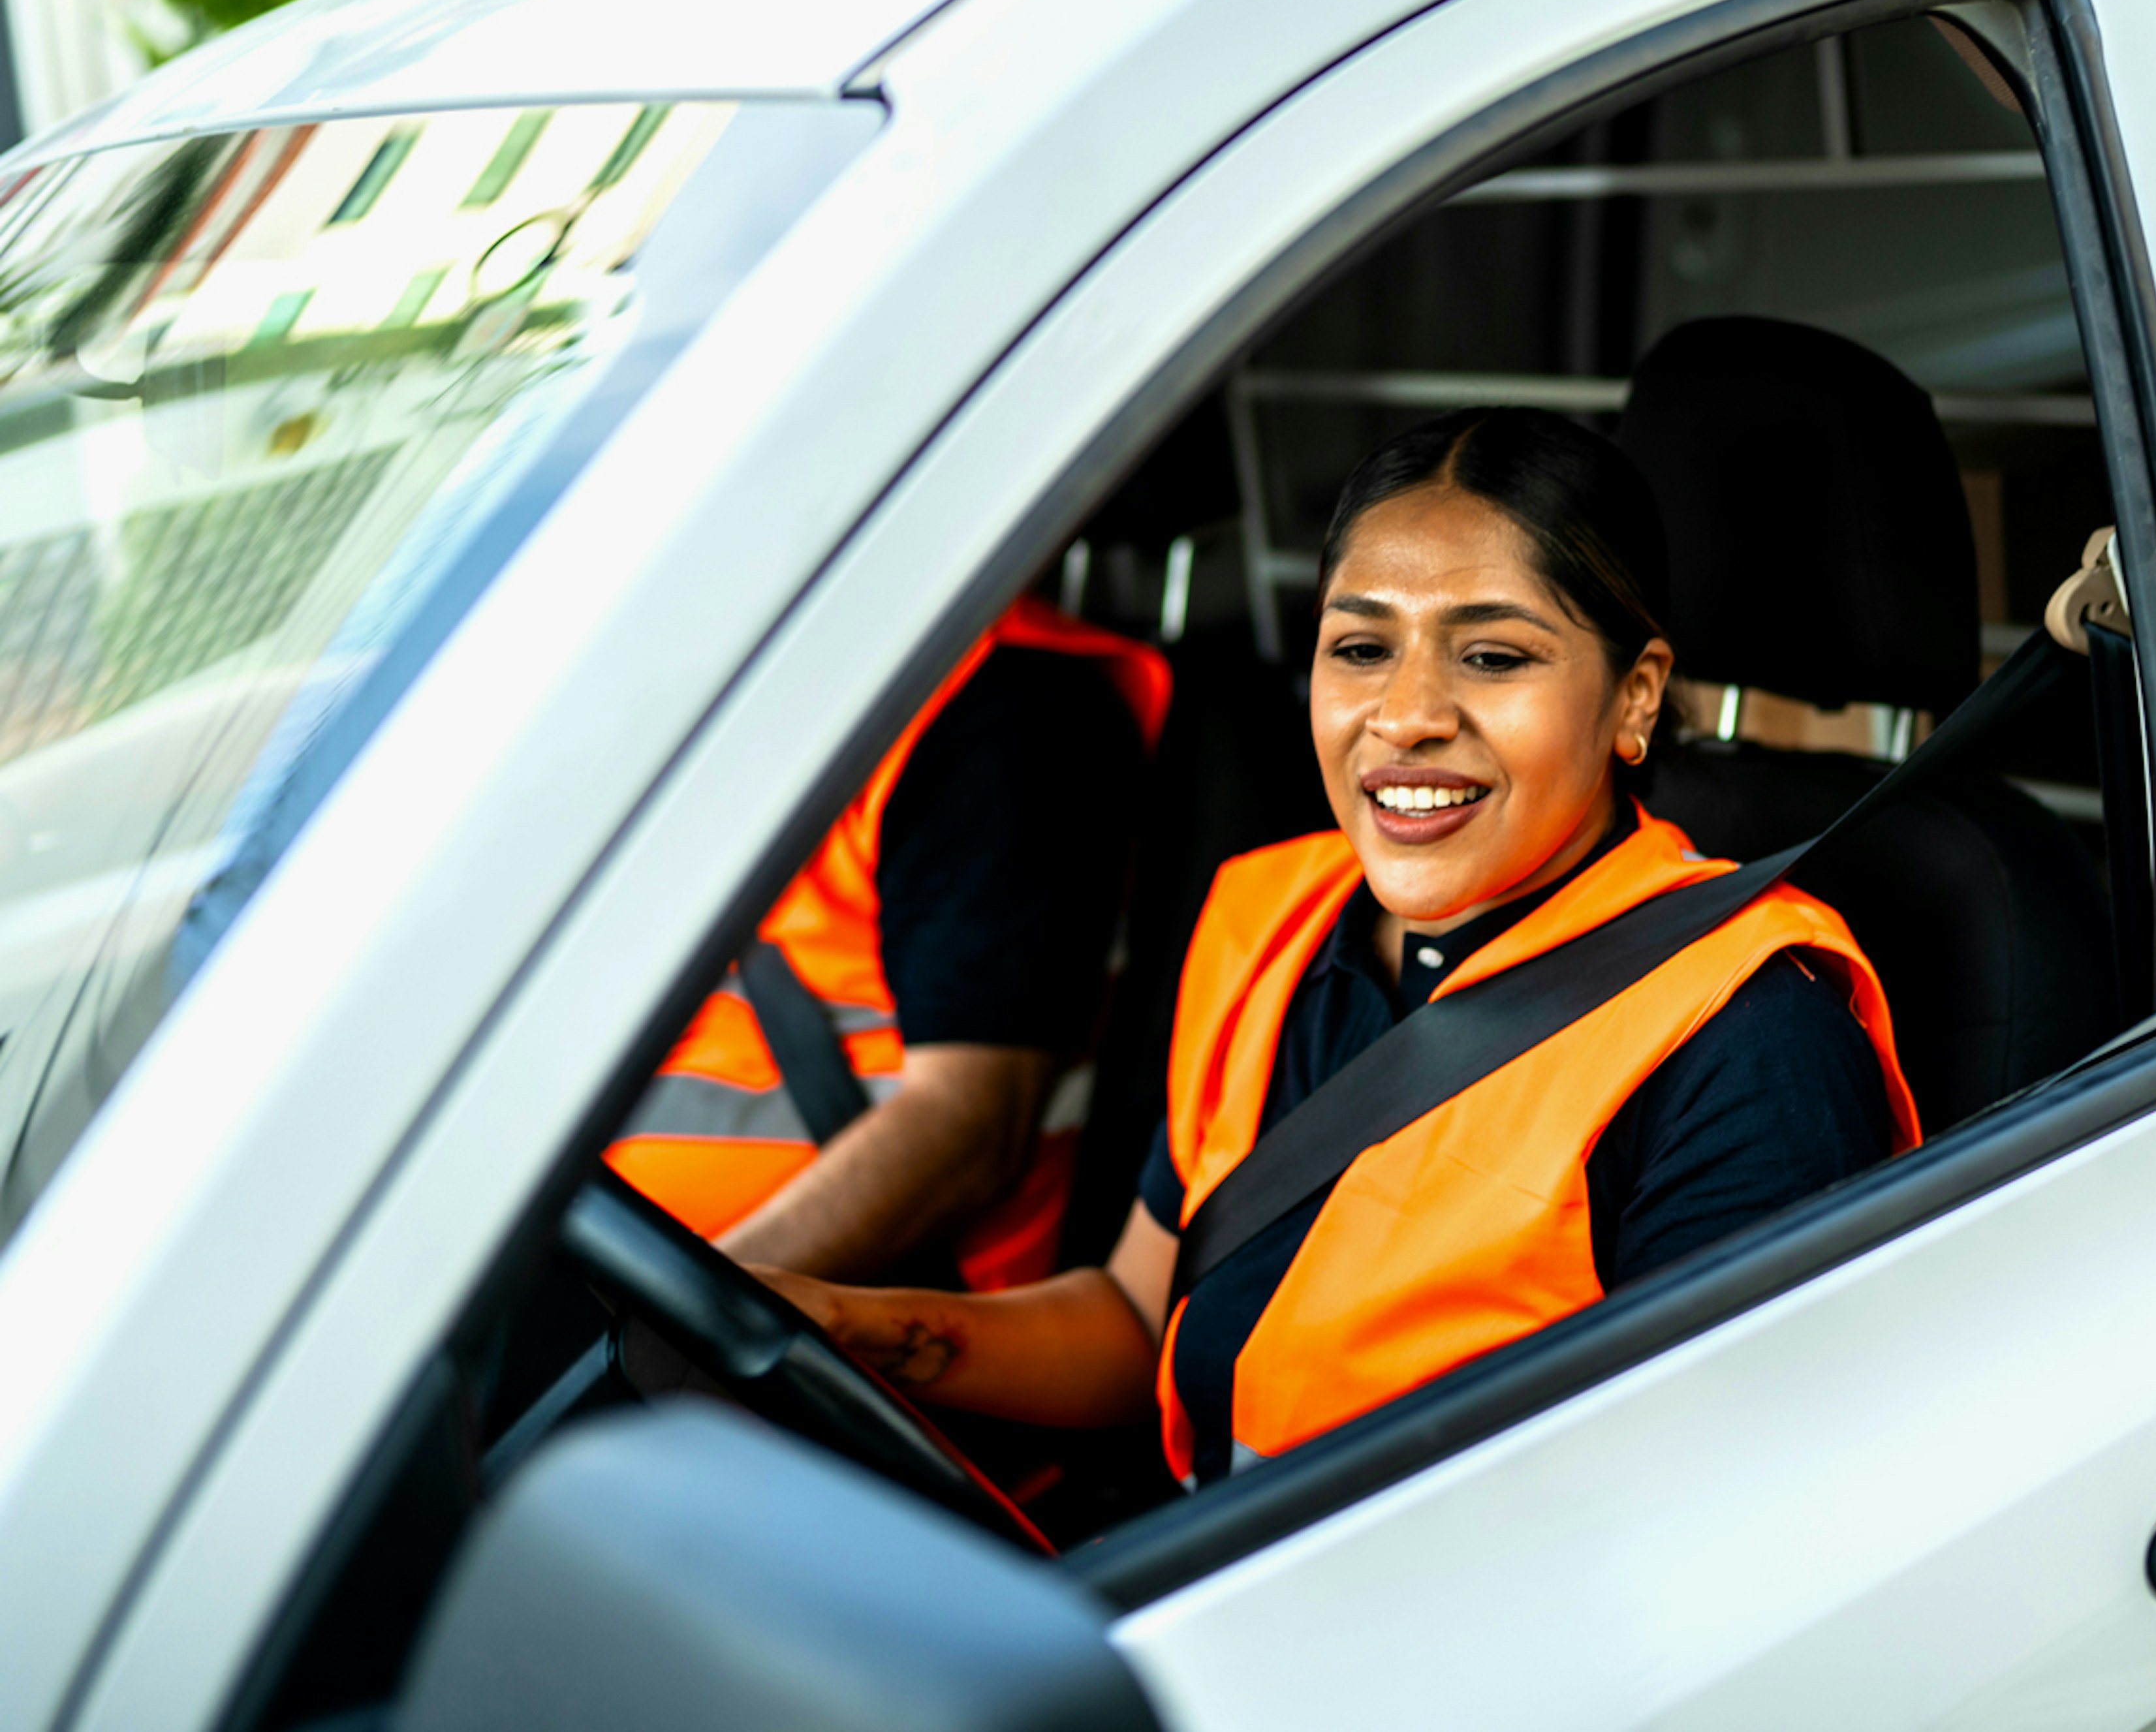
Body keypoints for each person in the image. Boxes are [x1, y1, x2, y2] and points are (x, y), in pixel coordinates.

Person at [751, 409, 1920, 1485]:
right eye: (1362, 649)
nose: (1405, 714)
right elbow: (1133, 1317)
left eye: (1493, 656)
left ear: (1634, 698)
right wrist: (854, 1326)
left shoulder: (1745, 1036)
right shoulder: (1270, 919)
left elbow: (1715, 1520)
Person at [607, 595, 1170, 1289]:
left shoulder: (1004, 718)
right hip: (596, 1257)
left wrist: (668, 1313)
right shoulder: (728, 712)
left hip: (851, 1340)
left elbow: (968, 1131)